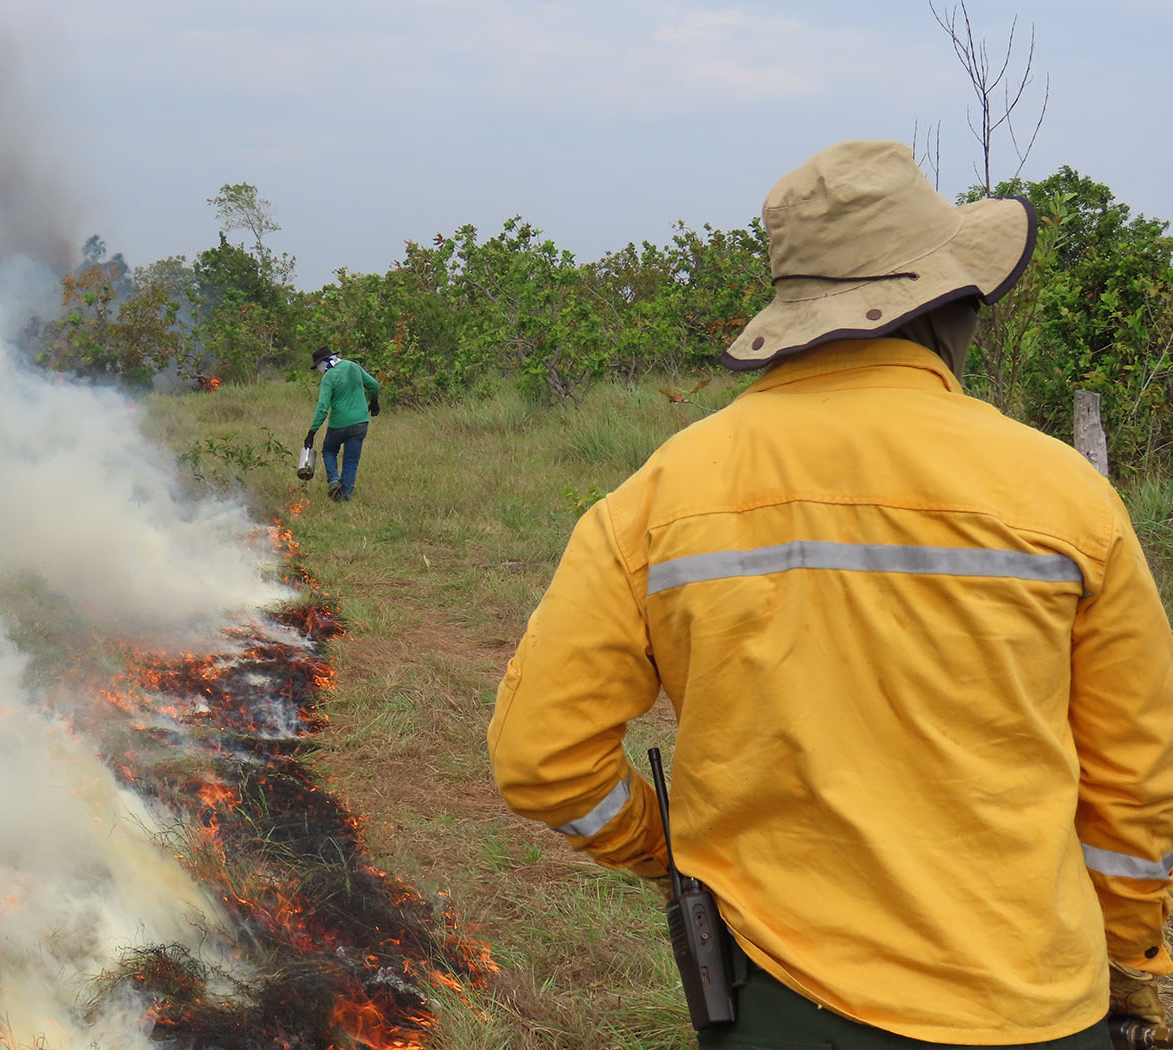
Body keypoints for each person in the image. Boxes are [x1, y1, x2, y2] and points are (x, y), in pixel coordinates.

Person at [487, 140, 1173, 1049]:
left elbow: (541, 758)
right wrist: (1131, 959)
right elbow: (1135, 776)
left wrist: (667, 854)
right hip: (1038, 1003)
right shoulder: (1064, 495)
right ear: (949, 306)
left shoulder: (659, 497)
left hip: (779, 998)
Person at [305, 345, 380, 502]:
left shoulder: (329, 377)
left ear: (323, 363)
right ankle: (344, 496)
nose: (319, 371)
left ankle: (333, 480)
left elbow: (323, 408)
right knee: (351, 460)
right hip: (360, 422)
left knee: (329, 450)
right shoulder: (353, 366)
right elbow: (374, 385)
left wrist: (312, 432)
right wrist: (374, 402)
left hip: (339, 424)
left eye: (318, 367)